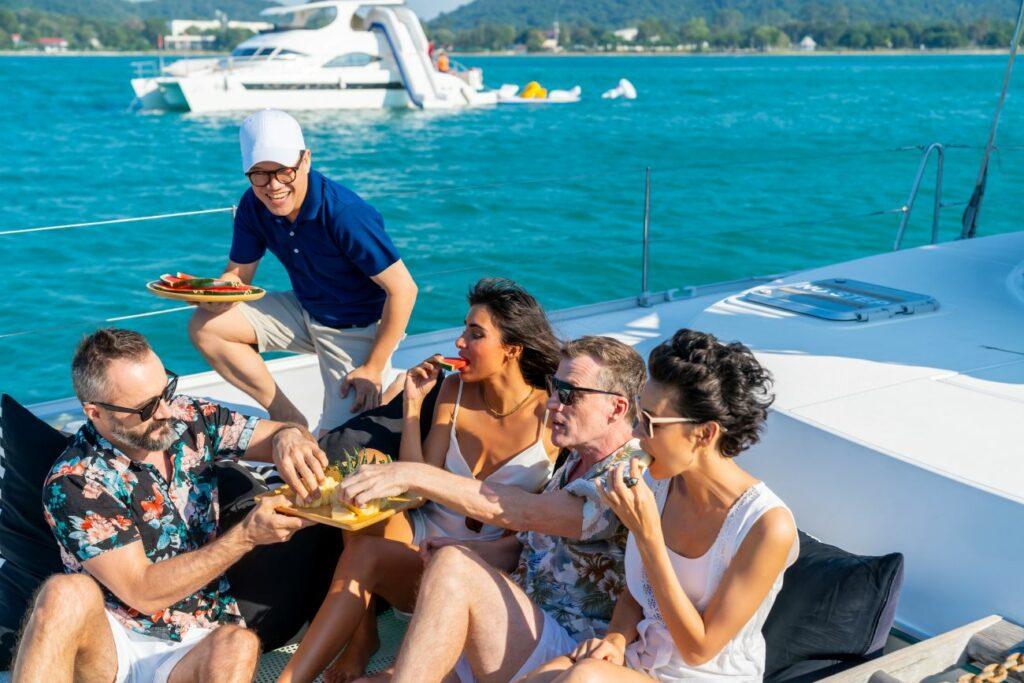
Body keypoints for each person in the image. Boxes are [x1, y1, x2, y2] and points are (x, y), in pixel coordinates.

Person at [278, 278, 562, 683]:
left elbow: (543, 527)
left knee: (366, 550)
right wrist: (413, 403)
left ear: (512, 349)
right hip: (416, 544)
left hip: (482, 570)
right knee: (369, 475)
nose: (460, 342)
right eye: (464, 329)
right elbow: (412, 487)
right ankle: (351, 644)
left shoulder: (551, 417)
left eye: (475, 334)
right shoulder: (453, 389)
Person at [12, 328, 332, 683]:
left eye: (166, 391)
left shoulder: (190, 419)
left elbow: (280, 434)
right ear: (95, 412)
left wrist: (287, 436)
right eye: (146, 408)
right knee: (64, 592)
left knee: (239, 643)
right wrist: (245, 537)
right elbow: (142, 591)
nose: (165, 411)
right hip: (111, 644)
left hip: (195, 636)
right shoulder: (76, 481)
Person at [339, 335, 647, 683]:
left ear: (617, 409)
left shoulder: (629, 473)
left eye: (569, 394)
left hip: (564, 649)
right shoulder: (580, 456)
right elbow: (531, 542)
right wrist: (474, 550)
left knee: (454, 568)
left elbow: (527, 512)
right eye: (554, 388)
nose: (553, 404)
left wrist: (414, 474)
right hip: (514, 625)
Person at [526, 329, 799, 682]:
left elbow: (698, 649)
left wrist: (649, 535)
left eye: (650, 422)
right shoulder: (658, 483)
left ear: (704, 434)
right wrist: (616, 638)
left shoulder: (766, 526)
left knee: (585, 678)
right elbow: (635, 592)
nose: (637, 433)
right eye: (639, 415)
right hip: (640, 664)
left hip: (702, 677)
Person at [189, 109, 417, 432]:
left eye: (283, 171)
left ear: (305, 160)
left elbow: (404, 290)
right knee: (206, 326)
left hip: (359, 327)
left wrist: (372, 367)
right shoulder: (254, 205)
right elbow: (237, 278)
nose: (273, 186)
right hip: (306, 308)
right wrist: (210, 294)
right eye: (259, 174)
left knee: (341, 448)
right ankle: (288, 417)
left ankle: (394, 383)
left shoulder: (344, 213)